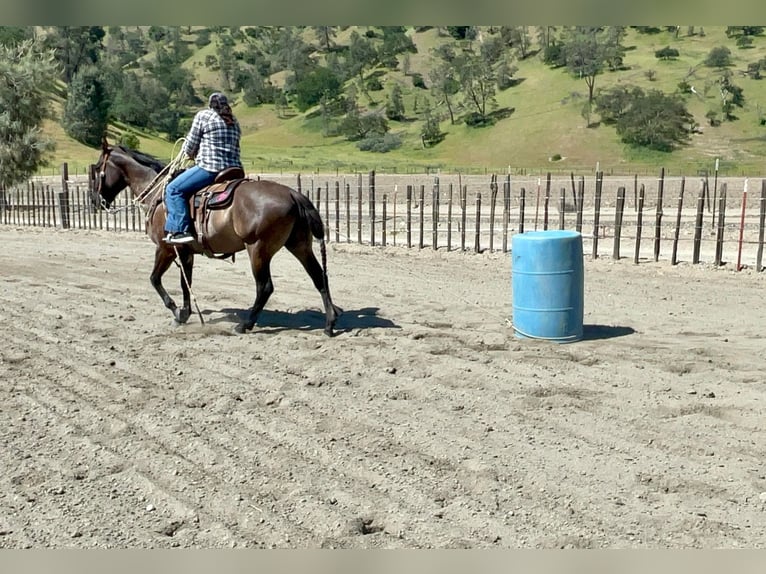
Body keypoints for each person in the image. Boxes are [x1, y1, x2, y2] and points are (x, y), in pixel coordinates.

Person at [163, 92, 243, 244]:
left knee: (173, 189)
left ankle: (180, 230)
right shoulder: (233, 120)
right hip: (234, 170)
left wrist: (190, 153)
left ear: (210, 105)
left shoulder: (204, 115)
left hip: (211, 168)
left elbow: (190, 146)